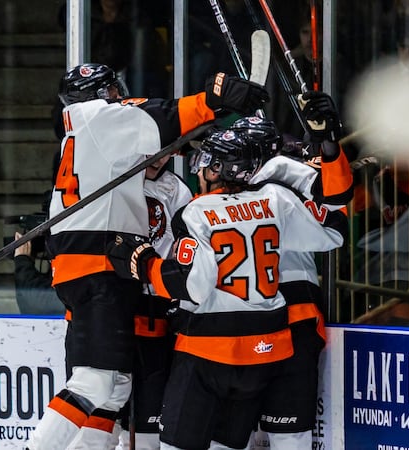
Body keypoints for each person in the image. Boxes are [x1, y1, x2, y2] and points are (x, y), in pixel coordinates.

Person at [25, 62, 269, 450]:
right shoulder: (97, 118)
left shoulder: (88, 133)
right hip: (99, 263)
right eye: (112, 91)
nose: (118, 97)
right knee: (95, 381)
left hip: (98, 265)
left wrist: (212, 110)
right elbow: (161, 115)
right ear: (100, 96)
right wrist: (211, 101)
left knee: (115, 386)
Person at [106, 128, 346, 450]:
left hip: (209, 353)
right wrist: (304, 175)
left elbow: (194, 285)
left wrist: (144, 262)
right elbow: (333, 230)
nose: (201, 171)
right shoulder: (275, 200)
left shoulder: (197, 211)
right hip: (264, 354)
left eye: (207, 163)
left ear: (219, 169)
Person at [239, 92, 353, 449]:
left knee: (270, 432)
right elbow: (336, 223)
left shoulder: (287, 178)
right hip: (248, 315)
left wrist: (327, 148)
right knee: (269, 433)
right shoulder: (281, 177)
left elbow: (336, 215)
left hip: (280, 311)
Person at [116, 153, 193, 449]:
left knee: (150, 402)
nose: (158, 161)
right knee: (111, 401)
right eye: (150, 154)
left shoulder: (176, 189)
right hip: (120, 303)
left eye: (164, 154)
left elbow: (184, 245)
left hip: (159, 304)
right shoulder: (116, 183)